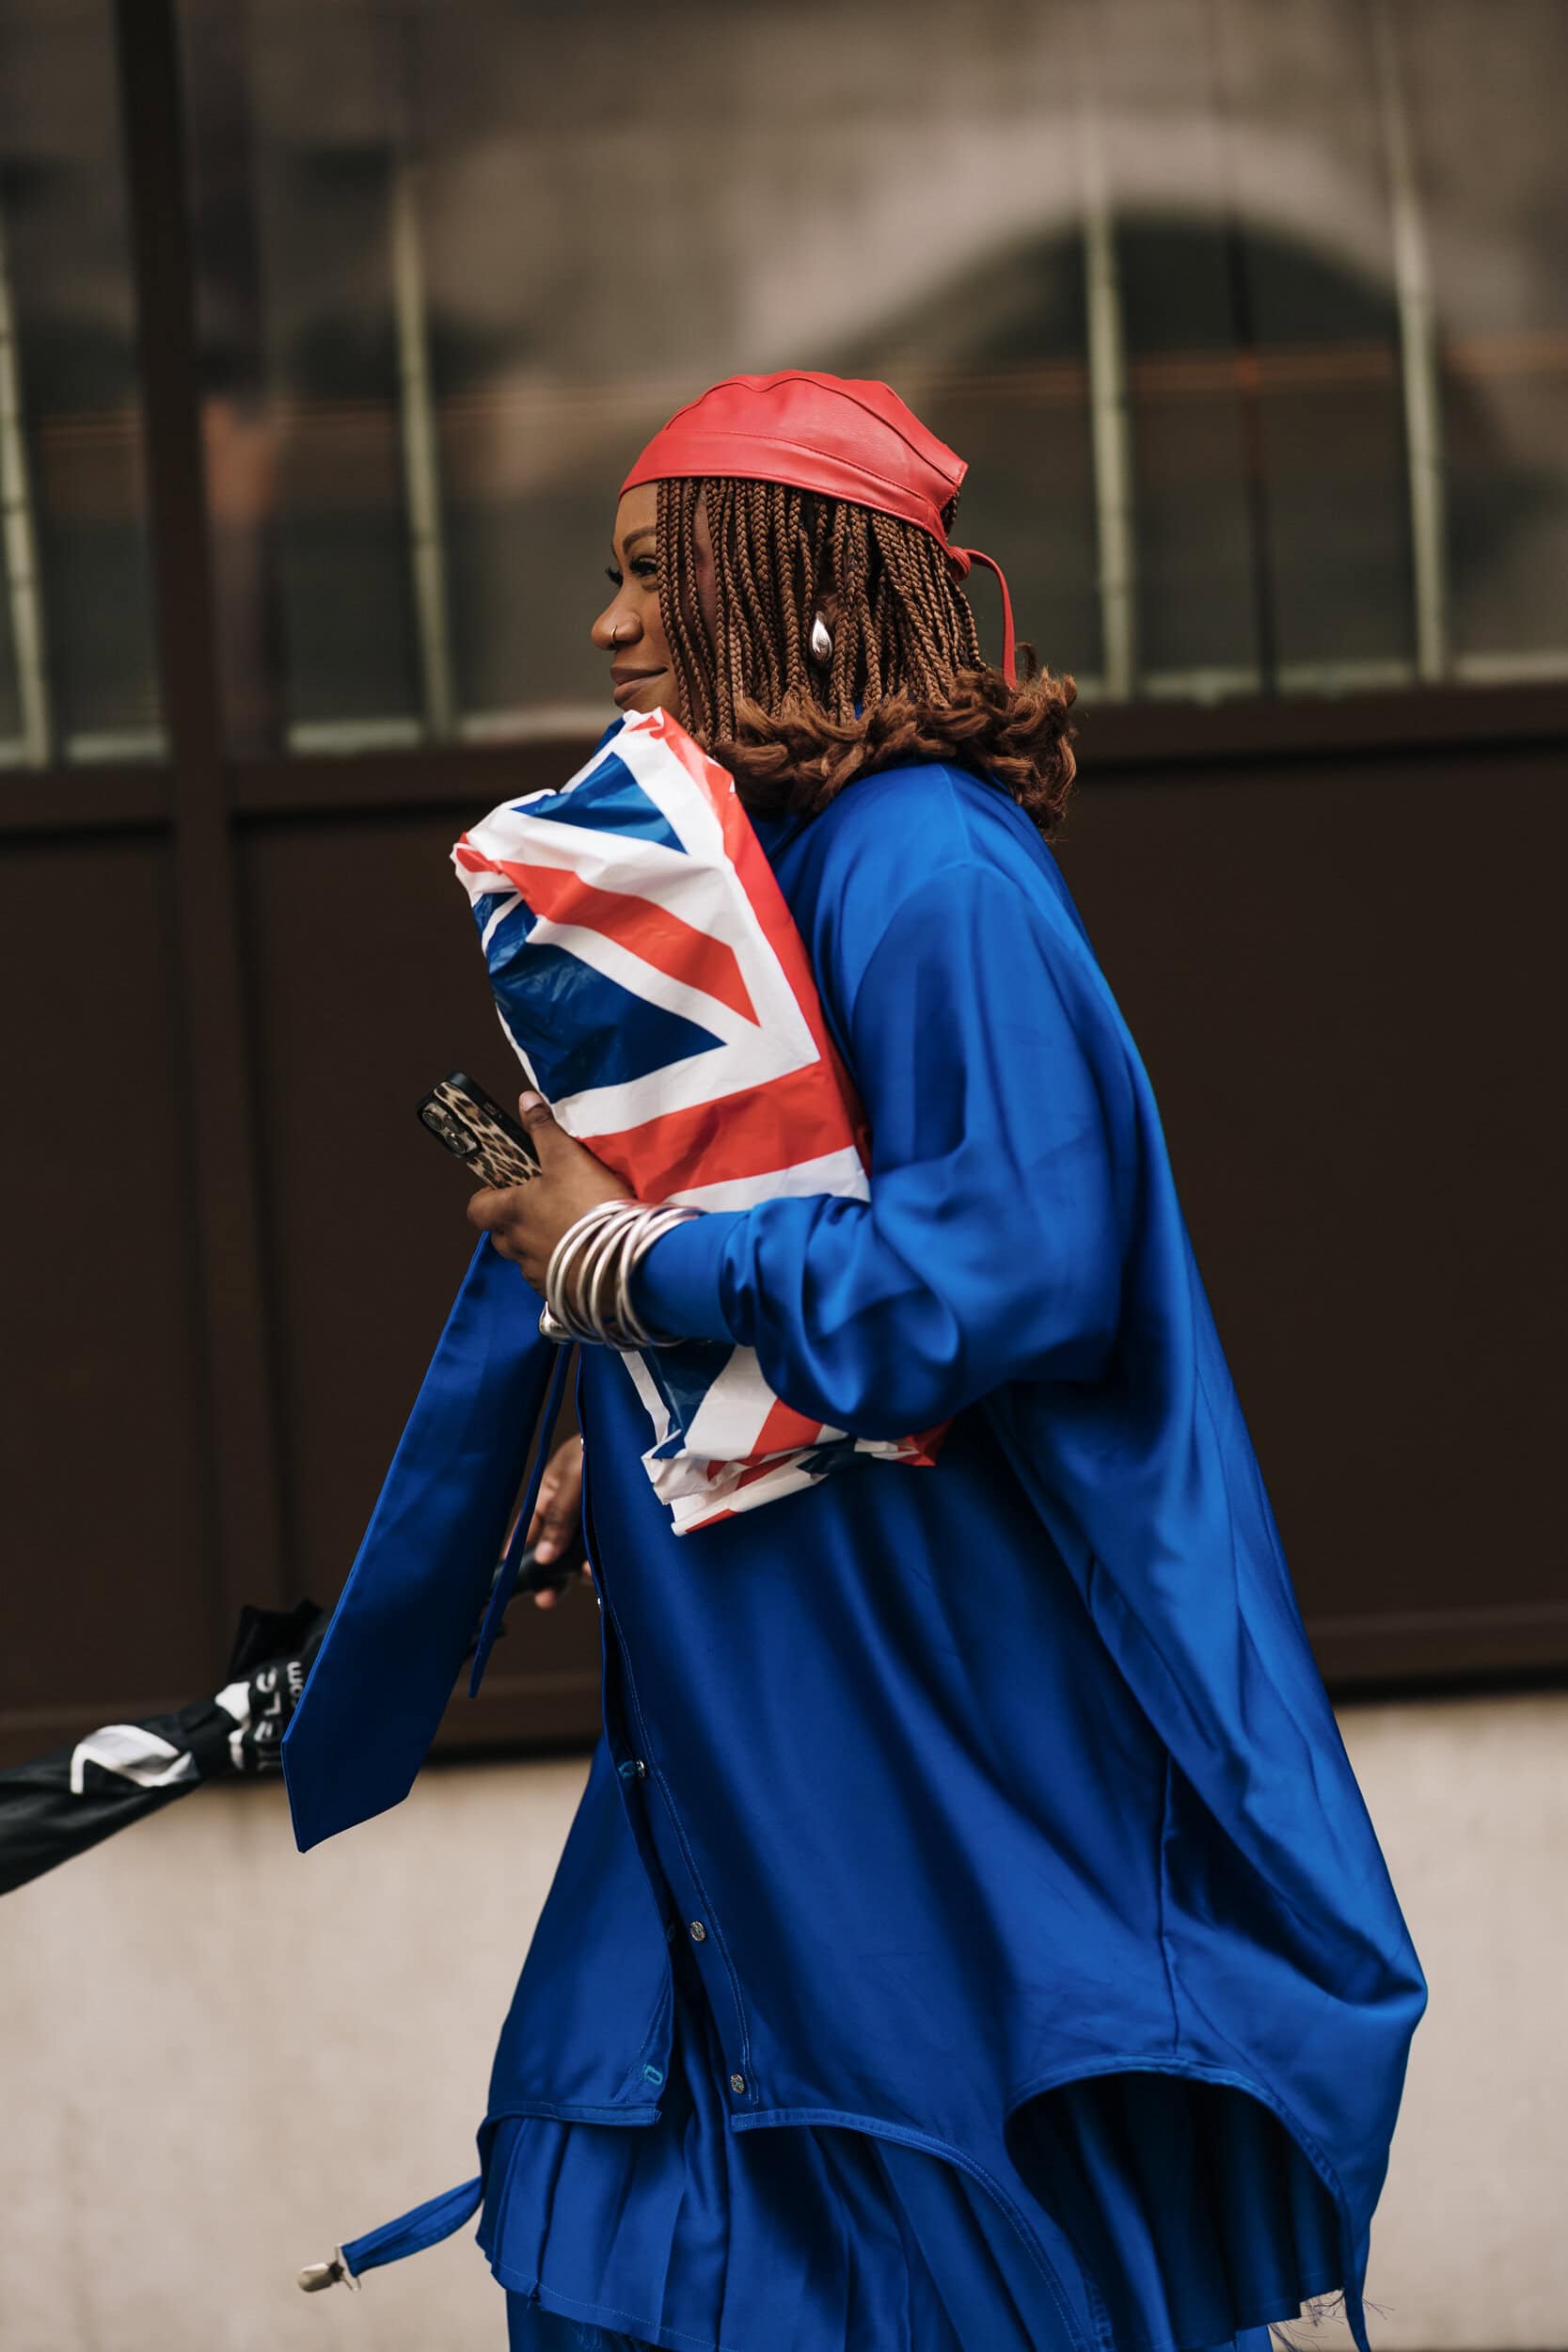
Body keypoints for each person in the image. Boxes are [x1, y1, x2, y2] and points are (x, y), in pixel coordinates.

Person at [297, 373, 1427, 2352]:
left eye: (653, 574)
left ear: (789, 582)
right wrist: (621, 1399)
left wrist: (630, 1263)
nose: (610, 628)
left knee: (941, 2237)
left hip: (924, 1742)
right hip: (771, 1722)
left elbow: (1012, 1269)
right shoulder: (795, 868)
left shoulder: (930, 868)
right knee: (674, 2216)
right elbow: (800, 1264)